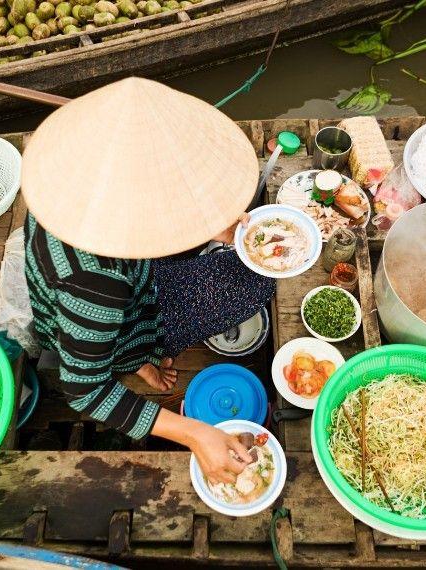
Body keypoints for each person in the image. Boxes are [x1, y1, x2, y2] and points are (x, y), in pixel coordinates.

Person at [21, 77, 273, 483]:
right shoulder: (97, 284)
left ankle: (137, 357)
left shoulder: (63, 188)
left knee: (236, 267)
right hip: (100, 330)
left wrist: (209, 221)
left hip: (120, 301)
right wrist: (193, 433)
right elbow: (84, 389)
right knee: (256, 283)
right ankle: (133, 356)